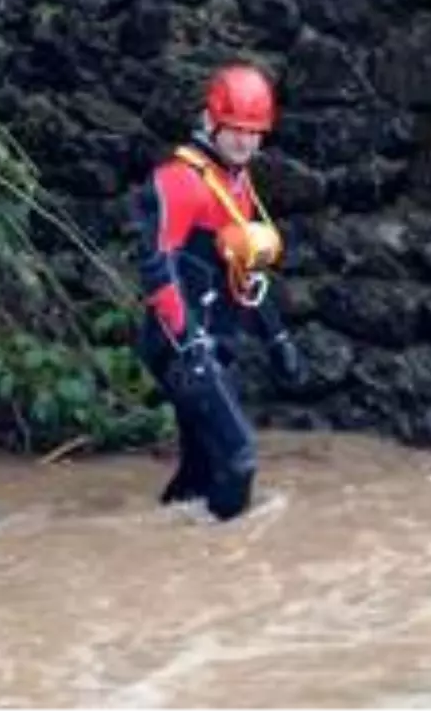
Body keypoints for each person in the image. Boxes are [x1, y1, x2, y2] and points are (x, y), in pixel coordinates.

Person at [134, 62, 309, 522]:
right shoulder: (181, 180)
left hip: (215, 341)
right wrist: (189, 347)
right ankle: (225, 568)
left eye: (255, 133)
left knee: (200, 471)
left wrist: (277, 340)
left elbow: (245, 269)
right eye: (237, 131)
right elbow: (159, 266)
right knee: (239, 458)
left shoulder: (236, 179)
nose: (247, 143)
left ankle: (159, 550)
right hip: (181, 347)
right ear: (212, 122)